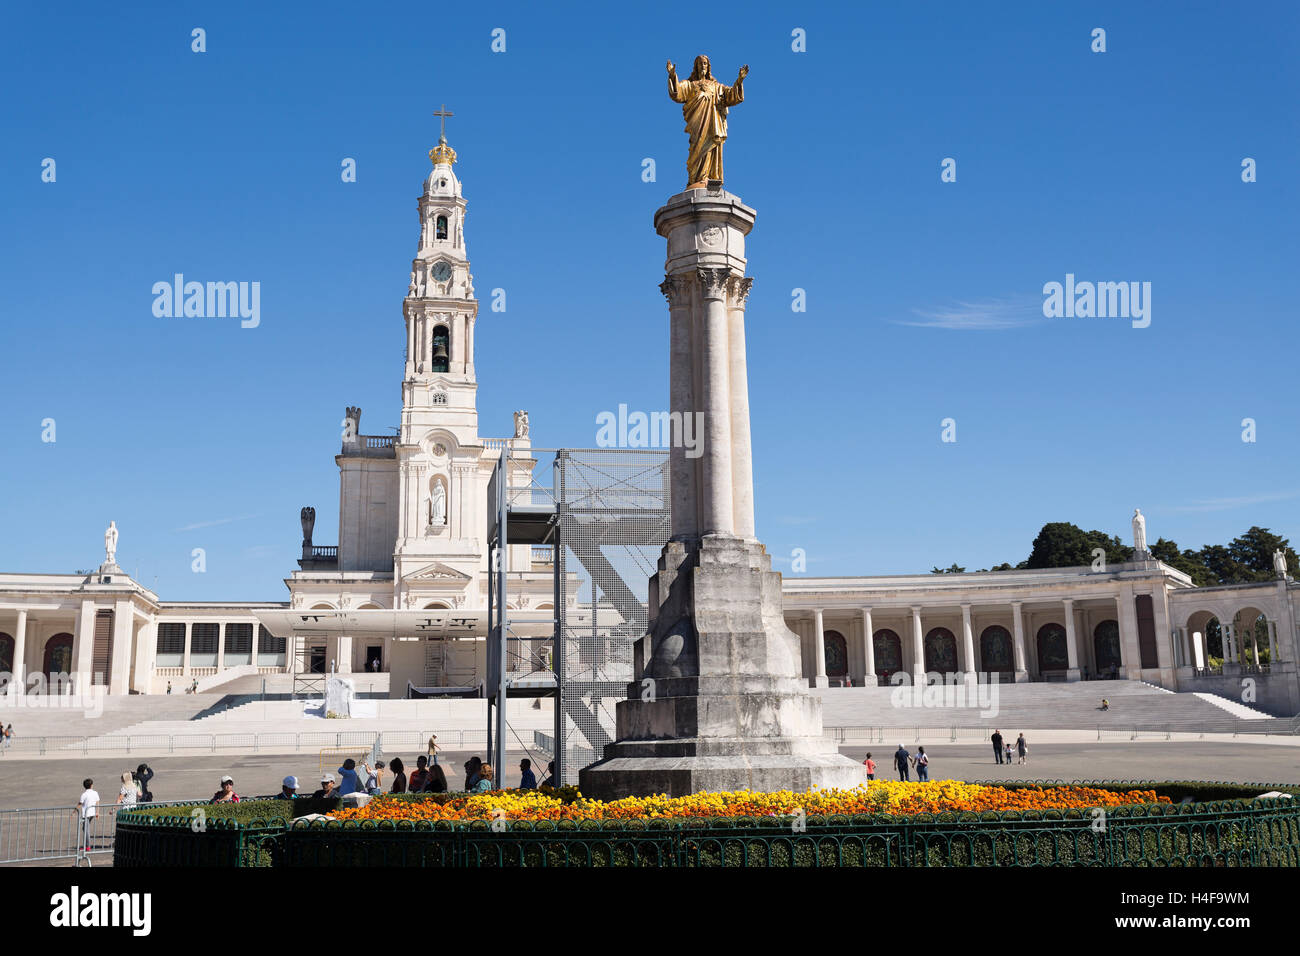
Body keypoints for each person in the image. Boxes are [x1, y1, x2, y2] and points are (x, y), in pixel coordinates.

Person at [76, 778, 99, 852]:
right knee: (85, 829)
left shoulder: (84, 794)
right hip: (92, 812)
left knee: (86, 830)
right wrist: (97, 812)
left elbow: (80, 803)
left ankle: (87, 846)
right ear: (91, 785)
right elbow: (97, 802)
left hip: (86, 814)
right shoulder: (95, 792)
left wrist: (74, 811)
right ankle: (86, 845)